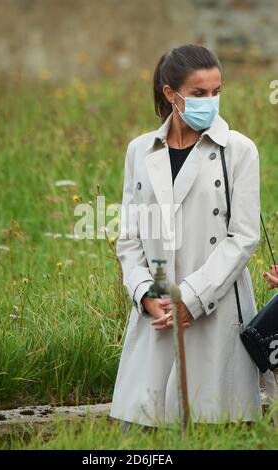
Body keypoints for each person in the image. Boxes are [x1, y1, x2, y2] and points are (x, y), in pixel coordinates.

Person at [109, 44, 277, 429]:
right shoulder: (140, 150)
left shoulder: (239, 150)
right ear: (171, 94)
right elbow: (130, 236)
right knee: (144, 427)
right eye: (200, 94)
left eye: (217, 92)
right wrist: (144, 293)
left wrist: (193, 297)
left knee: (214, 424)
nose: (211, 102)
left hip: (215, 309)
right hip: (158, 313)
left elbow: (243, 237)